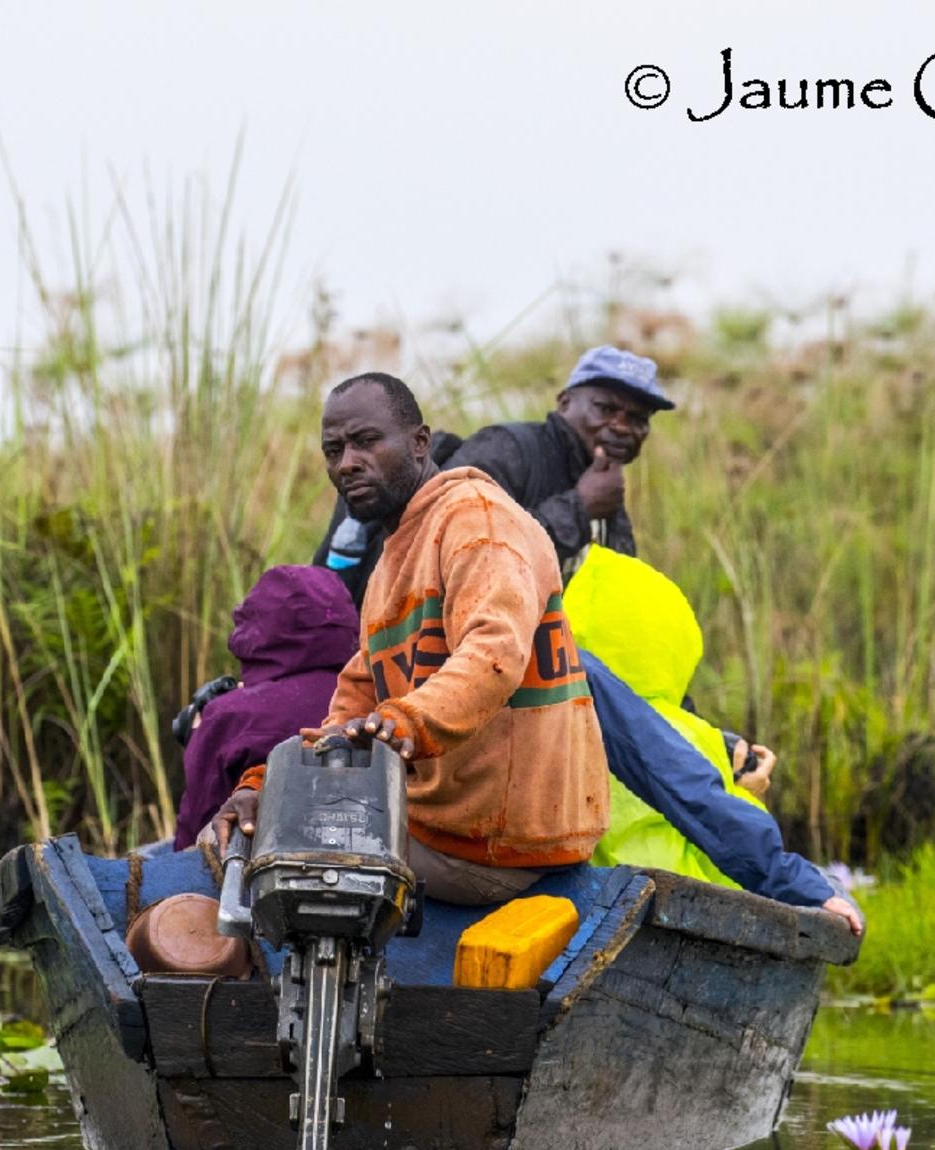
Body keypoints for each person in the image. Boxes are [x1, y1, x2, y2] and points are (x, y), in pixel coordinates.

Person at [204, 372, 610, 905]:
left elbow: (494, 652)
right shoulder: (395, 556)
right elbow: (354, 700)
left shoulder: (477, 519)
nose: (346, 462)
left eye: (365, 441)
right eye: (333, 450)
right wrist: (263, 784)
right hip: (436, 826)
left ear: (420, 442)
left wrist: (404, 724)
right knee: (236, 831)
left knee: (256, 860)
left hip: (497, 844)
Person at [564, 545, 862, 935]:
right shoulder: (690, 734)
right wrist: (747, 793)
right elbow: (713, 821)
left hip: (581, 901)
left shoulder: (557, 711)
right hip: (674, 910)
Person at [311, 344, 674, 602]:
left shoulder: (604, 484)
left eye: (638, 419)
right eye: (606, 408)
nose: (622, 427)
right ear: (565, 402)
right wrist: (579, 508)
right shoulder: (509, 450)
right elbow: (447, 556)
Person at [170, 565, 359, 851]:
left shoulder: (230, 714)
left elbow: (194, 830)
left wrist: (201, 737)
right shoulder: (372, 697)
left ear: (256, 627)